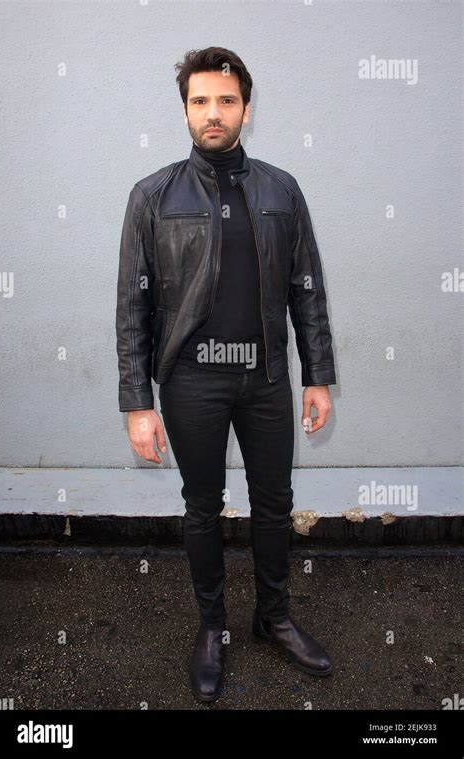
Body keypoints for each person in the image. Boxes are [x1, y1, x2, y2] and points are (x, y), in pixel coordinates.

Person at [116, 46, 337, 703]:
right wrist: (138, 400)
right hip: (192, 381)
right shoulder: (152, 196)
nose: (214, 114)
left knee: (274, 505)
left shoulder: (280, 188)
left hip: (267, 376)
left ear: (246, 108)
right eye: (200, 101)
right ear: (185, 110)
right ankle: (212, 627)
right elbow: (133, 305)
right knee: (201, 507)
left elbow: (308, 290)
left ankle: (273, 616)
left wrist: (316, 375)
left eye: (227, 100)